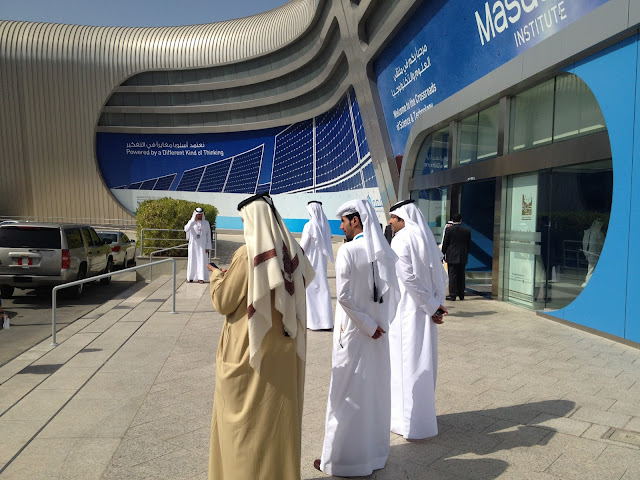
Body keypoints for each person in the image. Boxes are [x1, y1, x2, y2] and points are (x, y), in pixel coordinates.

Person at [206, 192, 315, 480]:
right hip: (283, 351)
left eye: (245, 220)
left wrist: (216, 276)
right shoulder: (292, 250)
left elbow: (224, 301)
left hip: (250, 351)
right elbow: (304, 279)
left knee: (245, 429)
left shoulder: (247, 254)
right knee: (277, 426)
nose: (244, 226)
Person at [316, 199, 399, 477]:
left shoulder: (348, 250)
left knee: (345, 393)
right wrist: (380, 323)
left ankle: (341, 461)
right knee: (373, 391)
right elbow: (393, 294)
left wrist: (367, 325)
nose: (341, 227)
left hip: (354, 334)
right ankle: (373, 455)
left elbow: (343, 296)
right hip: (379, 334)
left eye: (343, 221)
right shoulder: (383, 251)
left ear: (355, 220)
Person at [388, 199, 448, 439]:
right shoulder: (426, 238)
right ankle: (423, 420)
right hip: (426, 311)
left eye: (393, 218)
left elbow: (407, 278)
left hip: (408, 312)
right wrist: (436, 306)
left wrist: (432, 306)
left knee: (406, 364)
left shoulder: (401, 239)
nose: (390, 222)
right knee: (424, 362)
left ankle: (407, 423)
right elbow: (441, 276)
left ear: (402, 219)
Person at [300, 200, 334, 330]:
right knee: (323, 291)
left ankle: (313, 323)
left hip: (310, 263)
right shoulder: (325, 226)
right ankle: (326, 322)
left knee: (311, 292)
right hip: (322, 265)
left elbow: (303, 246)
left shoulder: (309, 226)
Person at [441, 213, 471, 301]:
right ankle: (461, 294)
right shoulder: (467, 230)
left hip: (452, 255)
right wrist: (466, 253)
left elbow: (445, 243)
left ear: (452, 221)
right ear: (460, 220)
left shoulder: (449, 230)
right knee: (461, 275)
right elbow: (468, 244)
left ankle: (453, 295)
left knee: (452, 276)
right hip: (462, 256)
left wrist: (442, 254)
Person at [184, 207, 212, 283]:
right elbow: (186, 229)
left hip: (203, 246)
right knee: (192, 261)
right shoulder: (191, 222)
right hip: (193, 246)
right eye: (198, 214)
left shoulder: (206, 223)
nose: (199, 216)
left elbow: (208, 235)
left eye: (200, 214)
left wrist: (208, 246)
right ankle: (190, 277)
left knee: (201, 261)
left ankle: (201, 278)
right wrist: (193, 221)